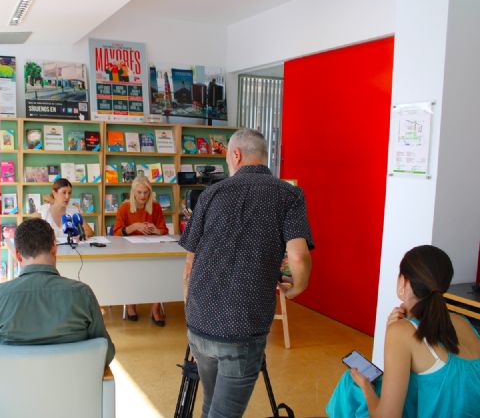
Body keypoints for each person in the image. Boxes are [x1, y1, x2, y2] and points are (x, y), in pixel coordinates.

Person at [179, 128, 313, 417]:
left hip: (200, 323)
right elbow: (299, 256)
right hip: (243, 327)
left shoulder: (210, 194)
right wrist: (297, 287)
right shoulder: (288, 195)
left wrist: (191, 311)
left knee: (210, 403)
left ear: (236, 155)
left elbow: (189, 263)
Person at [326, 245, 480, 417]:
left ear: (404, 281)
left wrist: (365, 387)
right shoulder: (464, 323)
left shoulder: (401, 332)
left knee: (351, 386)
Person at [0, 218, 115, 364]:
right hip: (72, 389)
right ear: (54, 249)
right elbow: (106, 353)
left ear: (18, 256)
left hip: (12, 390)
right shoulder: (83, 295)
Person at [113, 175, 168, 326]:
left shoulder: (155, 207)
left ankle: (155, 309)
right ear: (133, 193)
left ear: (150, 193)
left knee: (160, 272)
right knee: (132, 270)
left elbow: (164, 229)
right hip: (130, 250)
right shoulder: (125, 207)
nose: (142, 196)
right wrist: (134, 227)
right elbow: (116, 232)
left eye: (145, 192)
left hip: (152, 249)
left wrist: (155, 230)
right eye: (139, 192)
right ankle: (131, 304)